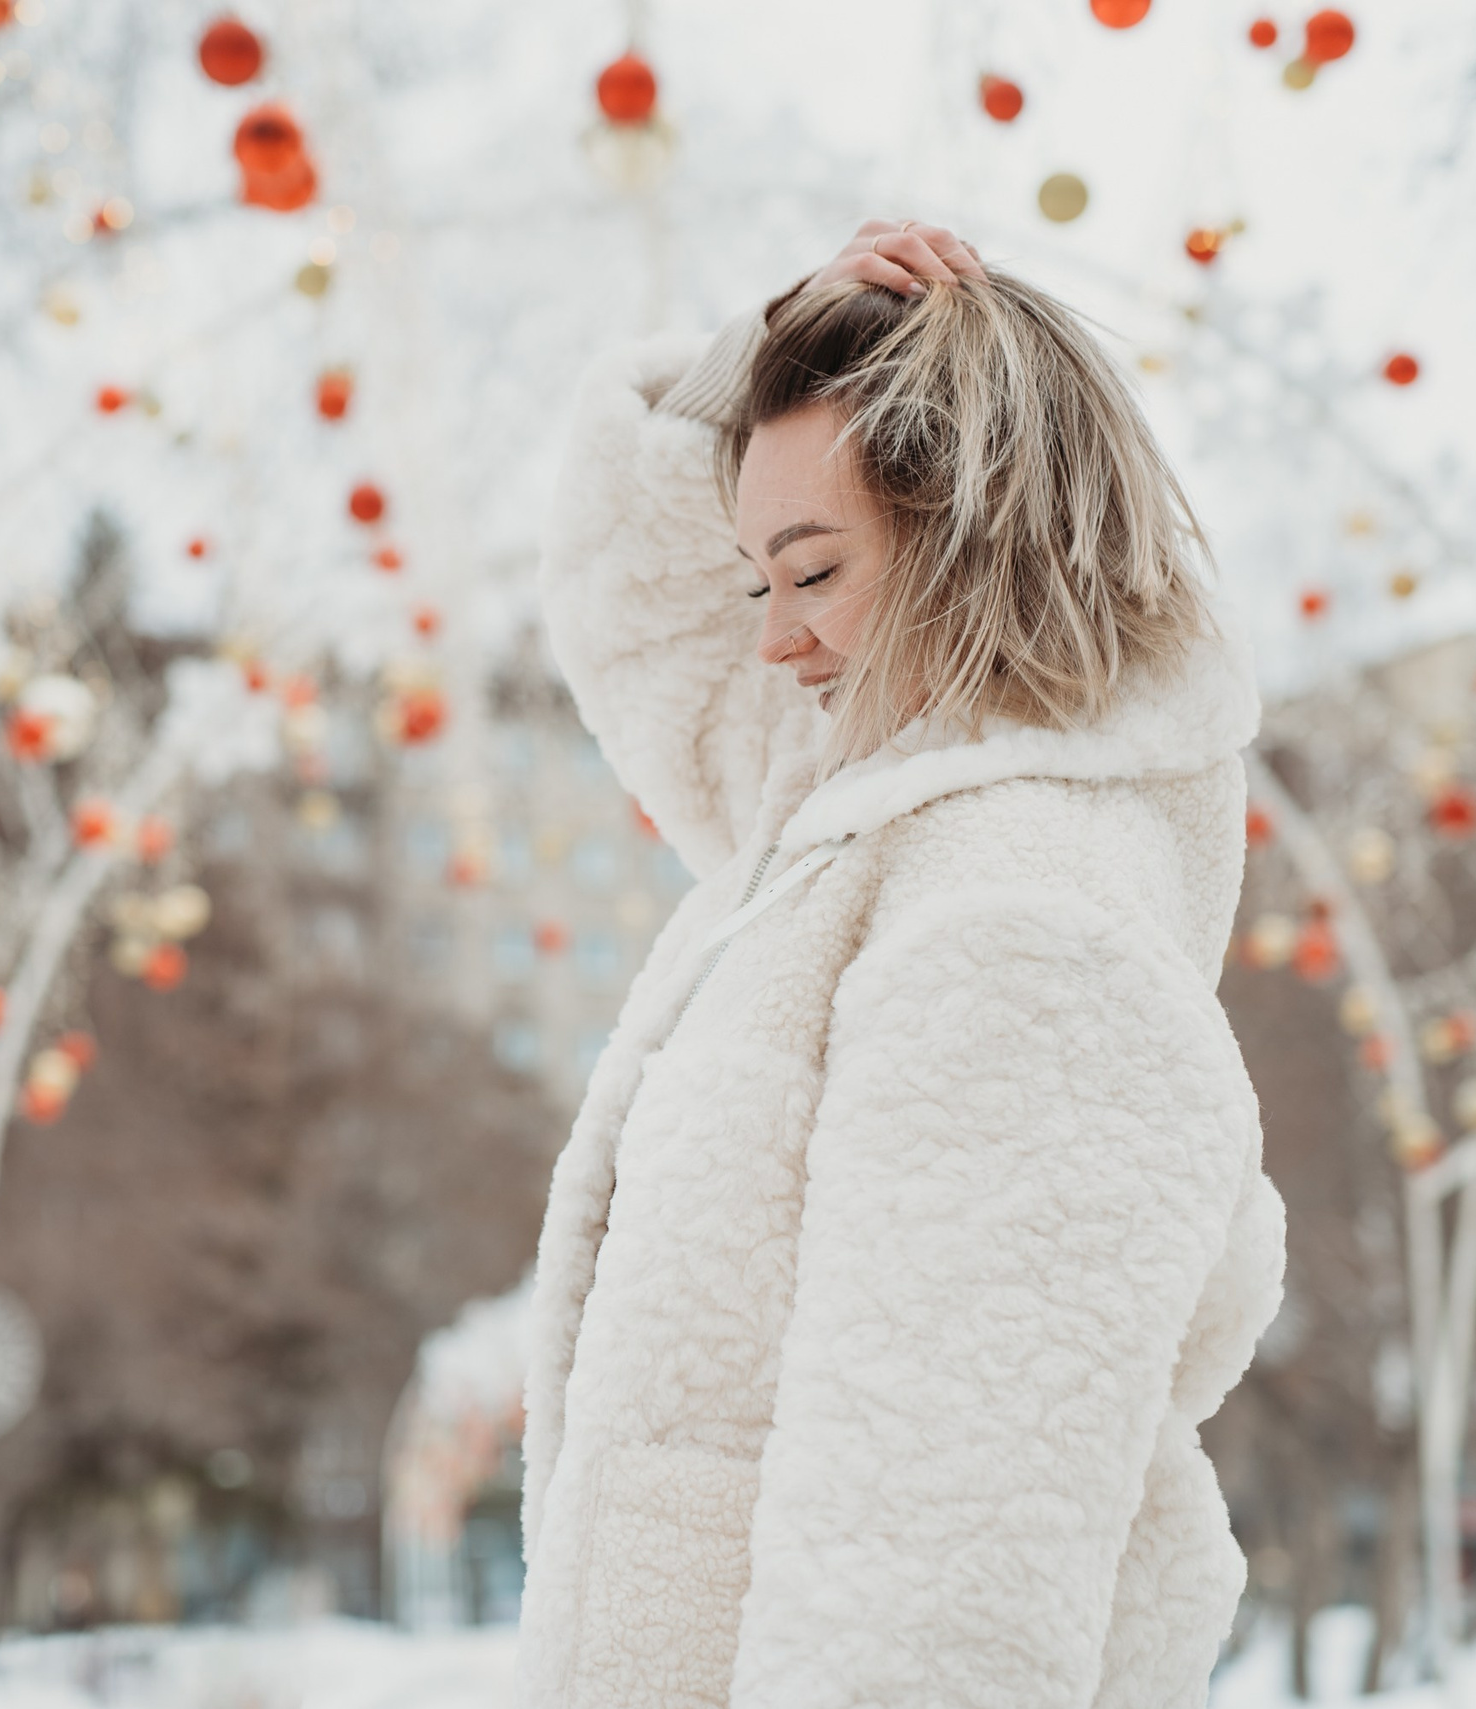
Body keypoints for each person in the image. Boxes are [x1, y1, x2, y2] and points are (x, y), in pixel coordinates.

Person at [515, 220, 1285, 1709]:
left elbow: (934, 1571)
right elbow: (636, 606)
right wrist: (765, 350)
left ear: (972, 528)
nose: (772, 644)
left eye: (810, 573)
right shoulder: (850, 816)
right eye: (759, 582)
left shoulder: (1017, 918)